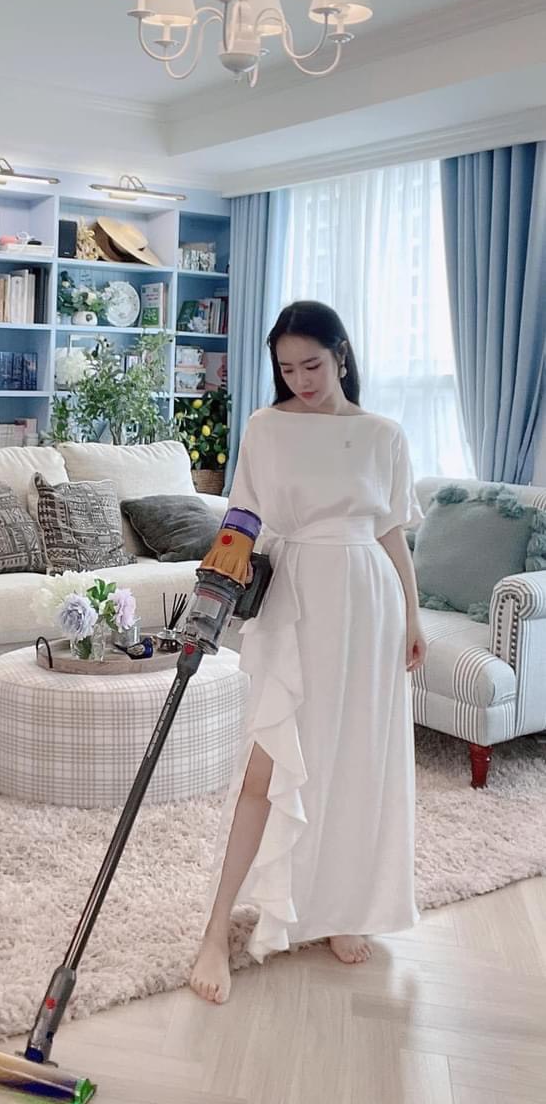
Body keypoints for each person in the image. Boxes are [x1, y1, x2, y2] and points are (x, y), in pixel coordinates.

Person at [190, 300, 427, 1004]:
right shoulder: (267, 427)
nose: (301, 379)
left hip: (369, 605)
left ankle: (339, 910)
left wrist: (414, 616)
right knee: (267, 767)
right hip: (295, 602)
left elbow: (390, 532)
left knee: (354, 762)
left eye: (312, 365)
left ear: (341, 355)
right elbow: (242, 516)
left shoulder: (383, 435)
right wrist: (213, 588)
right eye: (287, 368)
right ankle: (215, 930)